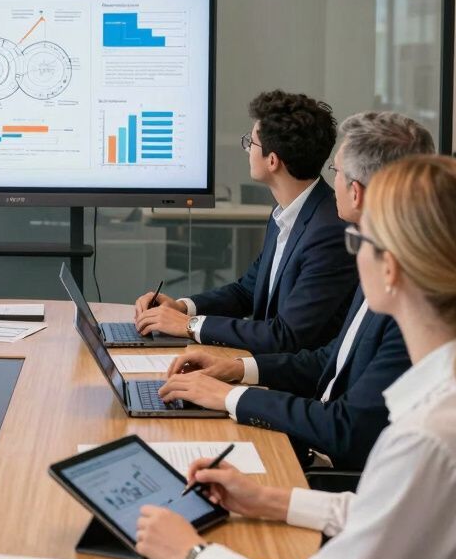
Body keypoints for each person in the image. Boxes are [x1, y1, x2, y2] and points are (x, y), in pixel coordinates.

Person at [117, 154, 456, 559]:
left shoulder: (430, 434)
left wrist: (193, 554)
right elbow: (399, 512)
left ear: (390, 269)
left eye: (359, 244)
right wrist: (270, 499)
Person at [157, 112, 434, 470]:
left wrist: (230, 395)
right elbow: (328, 360)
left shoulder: (407, 293)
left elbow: (347, 428)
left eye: (336, 172)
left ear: (356, 191)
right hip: (314, 436)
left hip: (337, 470)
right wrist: (235, 369)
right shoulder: (383, 259)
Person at [134, 90, 357, 354]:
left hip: (290, 381)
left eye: (251, 143)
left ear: (272, 161)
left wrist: (189, 325)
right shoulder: (287, 213)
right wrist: (181, 308)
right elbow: (247, 291)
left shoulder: (329, 232)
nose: (248, 150)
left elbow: (286, 336)